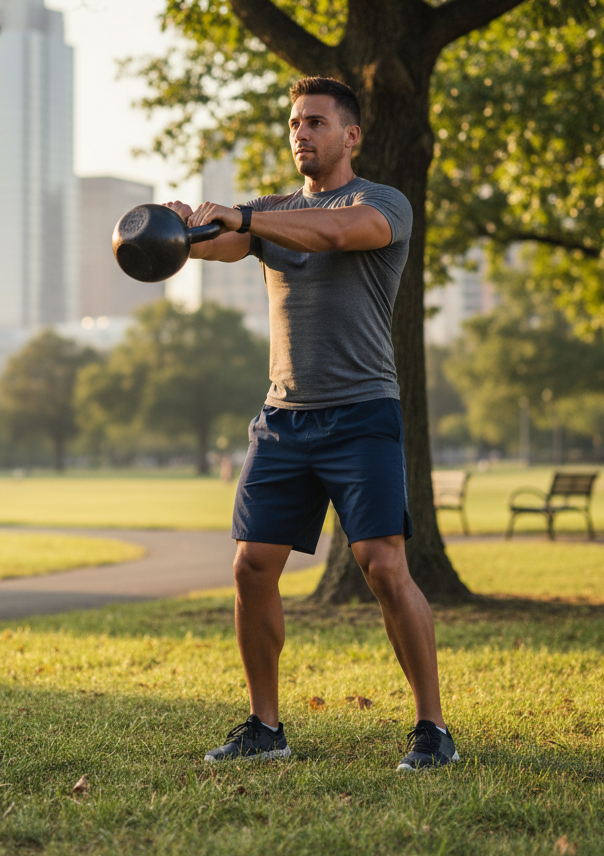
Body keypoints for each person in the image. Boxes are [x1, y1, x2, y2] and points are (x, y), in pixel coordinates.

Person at [163, 76, 458, 772]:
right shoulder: (265, 214)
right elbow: (211, 247)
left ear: (350, 135)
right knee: (251, 566)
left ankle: (432, 729)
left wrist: (241, 217)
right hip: (284, 420)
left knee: (384, 566)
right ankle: (266, 728)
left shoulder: (382, 202)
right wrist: (176, 228)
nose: (302, 133)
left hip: (362, 415)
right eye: (295, 122)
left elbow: (333, 233)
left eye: (317, 122)